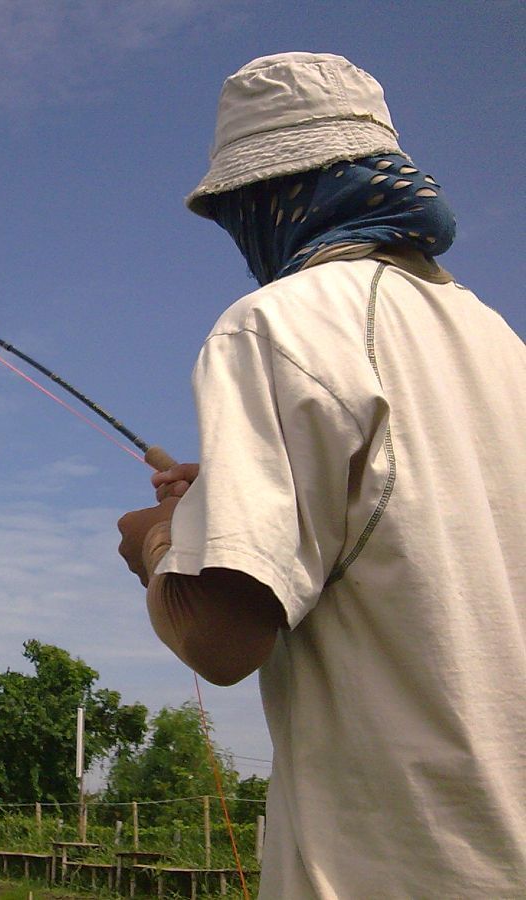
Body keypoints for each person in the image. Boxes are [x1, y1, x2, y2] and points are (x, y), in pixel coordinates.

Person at [116, 52, 524, 897]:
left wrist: (156, 542)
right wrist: (221, 504)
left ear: (271, 199)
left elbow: (222, 638)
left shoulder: (277, 328)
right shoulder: (500, 345)